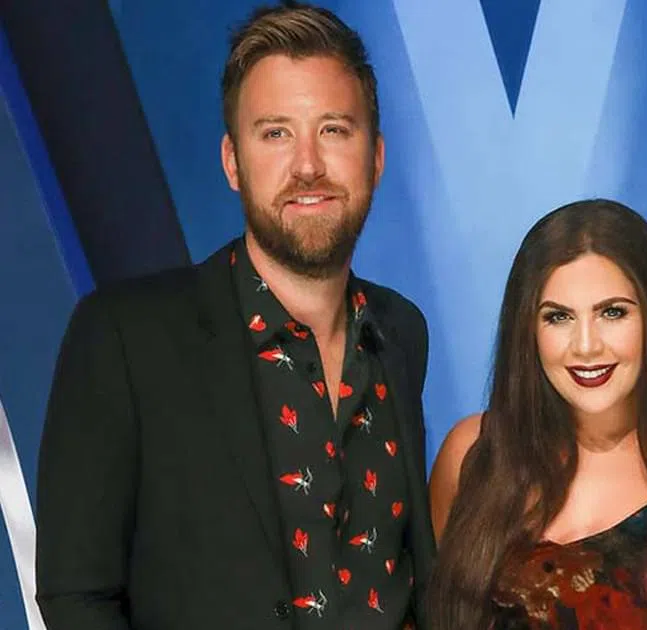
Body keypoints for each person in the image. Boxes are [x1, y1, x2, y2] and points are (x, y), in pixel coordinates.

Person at [35, 5, 434, 629]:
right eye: (275, 133)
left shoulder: (400, 331)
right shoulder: (124, 338)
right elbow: (77, 594)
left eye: (334, 129)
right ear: (232, 161)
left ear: (376, 157)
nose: (308, 165)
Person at [426, 199, 647, 629]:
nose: (587, 346)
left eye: (612, 312)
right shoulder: (474, 455)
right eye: (558, 317)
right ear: (527, 330)